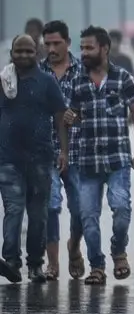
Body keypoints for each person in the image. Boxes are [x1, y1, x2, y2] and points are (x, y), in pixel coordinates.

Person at [67, 26, 134, 285]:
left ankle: (118, 249)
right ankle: (97, 266)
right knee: (88, 217)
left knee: (121, 208)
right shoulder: (77, 81)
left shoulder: (122, 78)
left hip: (117, 160)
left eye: (89, 47)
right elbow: (71, 115)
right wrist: (71, 120)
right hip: (87, 162)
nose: (84, 52)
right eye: (82, 47)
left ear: (104, 48)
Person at [0, 34, 69, 283]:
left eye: (29, 51)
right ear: (12, 53)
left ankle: (35, 264)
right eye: (19, 51)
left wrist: (63, 150)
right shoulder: (4, 81)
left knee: (38, 214)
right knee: (14, 209)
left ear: (36, 53)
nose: (24, 56)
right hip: (7, 158)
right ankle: (10, 262)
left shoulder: (47, 81)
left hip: (40, 157)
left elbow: (61, 116)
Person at [40, 20, 83, 281]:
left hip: (79, 151)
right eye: (47, 44)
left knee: (80, 209)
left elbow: (94, 109)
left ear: (68, 42)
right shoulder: (35, 73)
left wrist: (78, 117)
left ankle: (74, 247)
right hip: (45, 153)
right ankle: (53, 263)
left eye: (57, 43)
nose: (52, 48)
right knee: (51, 207)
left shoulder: (83, 72)